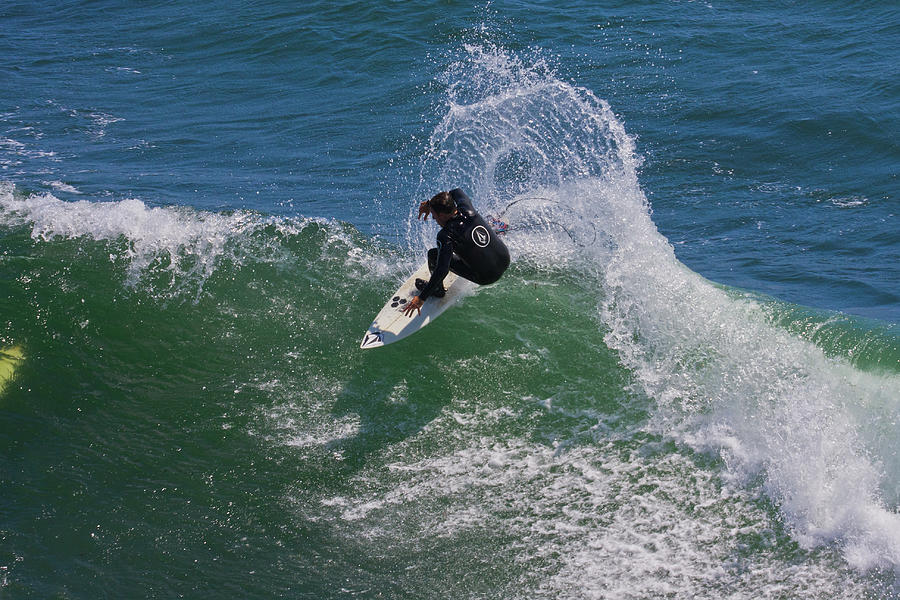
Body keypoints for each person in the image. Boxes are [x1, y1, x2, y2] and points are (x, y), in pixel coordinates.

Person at [402, 188, 510, 317]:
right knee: (474, 230)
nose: (434, 219)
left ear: (442, 215)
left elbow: (442, 269)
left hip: (487, 276)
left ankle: (438, 290)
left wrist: (421, 298)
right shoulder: (467, 209)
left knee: (433, 255)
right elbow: (457, 191)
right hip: (505, 258)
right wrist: (430, 204)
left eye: (434, 215)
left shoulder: (446, 235)